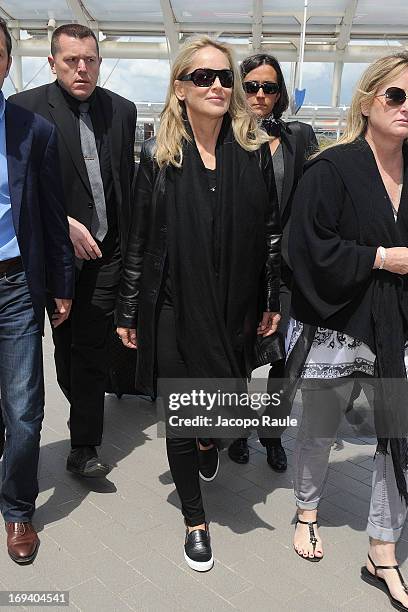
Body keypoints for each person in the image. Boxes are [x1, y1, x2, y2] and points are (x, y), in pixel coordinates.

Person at [116, 35, 281, 572]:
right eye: (203, 77)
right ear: (180, 88)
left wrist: (271, 297)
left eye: (223, 77)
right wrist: (128, 309)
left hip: (233, 306)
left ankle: (212, 443)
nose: (216, 85)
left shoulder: (253, 154)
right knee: (183, 417)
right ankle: (195, 519)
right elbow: (139, 239)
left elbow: (270, 234)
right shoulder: (159, 153)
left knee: (219, 413)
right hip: (171, 306)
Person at [286, 52, 408, 610]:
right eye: (397, 95)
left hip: (400, 328)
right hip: (341, 322)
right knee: (318, 429)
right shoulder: (330, 169)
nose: (406, 108)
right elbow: (305, 248)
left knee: (397, 440)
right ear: (367, 103)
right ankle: (307, 510)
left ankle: (382, 549)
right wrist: (380, 257)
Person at [10, 24, 137, 478]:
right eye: (71, 61)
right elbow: (18, 187)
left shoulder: (122, 111)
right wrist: (62, 222)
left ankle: (83, 447)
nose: (82, 69)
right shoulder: (23, 109)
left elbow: (125, 182)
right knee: (60, 355)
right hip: (44, 256)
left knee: (88, 352)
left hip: (105, 256)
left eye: (90, 60)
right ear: (52, 62)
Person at [0, 18, 74, 563]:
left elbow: (52, 217)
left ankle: (19, 511)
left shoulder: (33, 130)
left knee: (25, 411)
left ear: (7, 62)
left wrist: (61, 286)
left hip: (16, 287)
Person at [228, 53, 318, 471]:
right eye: (251, 86)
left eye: (269, 87)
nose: (260, 95)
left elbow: (320, 193)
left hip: (289, 268)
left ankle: (272, 434)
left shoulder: (299, 136)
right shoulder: (226, 135)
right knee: (240, 354)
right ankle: (238, 430)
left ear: (280, 93)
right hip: (241, 267)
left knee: (286, 360)